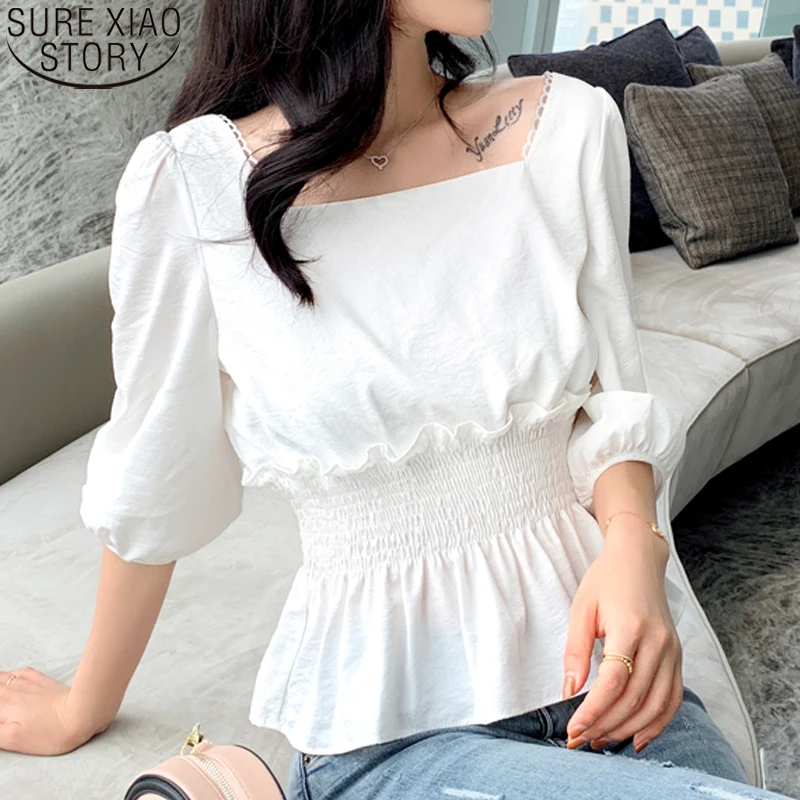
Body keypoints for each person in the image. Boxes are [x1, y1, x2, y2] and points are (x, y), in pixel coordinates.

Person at [0, 2, 793, 799]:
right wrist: (80, 707)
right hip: (396, 731)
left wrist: (633, 544)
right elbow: (156, 477)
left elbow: (610, 398)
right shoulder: (193, 184)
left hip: (609, 680)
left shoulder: (567, 124)